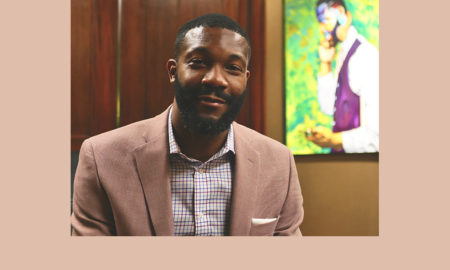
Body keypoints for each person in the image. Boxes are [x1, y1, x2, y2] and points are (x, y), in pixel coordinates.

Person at [71, 13, 304, 236]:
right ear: (173, 71)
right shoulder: (101, 157)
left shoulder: (279, 163)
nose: (216, 79)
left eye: (233, 68)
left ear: (245, 79)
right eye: (198, 62)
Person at [306, 0, 379, 153]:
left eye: (325, 20)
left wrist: (333, 140)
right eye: (320, 23)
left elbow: (377, 134)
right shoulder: (343, 54)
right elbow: (328, 107)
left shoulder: (365, 55)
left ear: (341, 14)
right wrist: (325, 64)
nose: (322, 28)